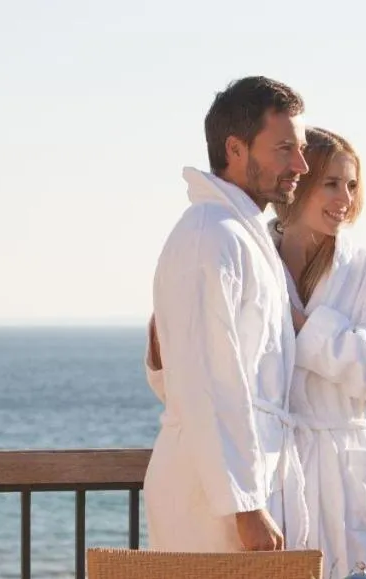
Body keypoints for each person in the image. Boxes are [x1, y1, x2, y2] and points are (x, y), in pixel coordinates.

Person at [148, 126, 366, 579]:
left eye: (352, 185)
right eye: (331, 183)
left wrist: (306, 329)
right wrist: (163, 356)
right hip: (271, 467)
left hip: (343, 468)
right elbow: (213, 377)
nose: (345, 199)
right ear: (300, 184)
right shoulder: (247, 255)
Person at [144, 76, 310, 555]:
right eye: (284, 149)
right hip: (212, 500)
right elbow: (204, 378)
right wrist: (244, 506)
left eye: (299, 149)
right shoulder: (209, 236)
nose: (300, 164)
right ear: (235, 149)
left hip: (242, 485)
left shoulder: (240, 234)